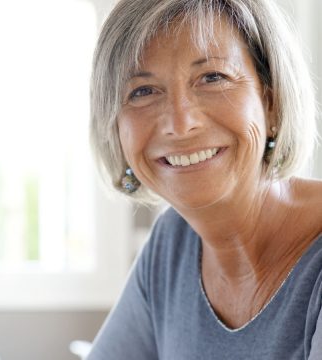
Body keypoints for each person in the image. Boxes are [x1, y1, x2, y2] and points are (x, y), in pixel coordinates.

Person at [88, 0, 322, 359]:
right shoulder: (171, 245)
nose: (180, 124)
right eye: (143, 91)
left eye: (213, 77)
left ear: (271, 102)